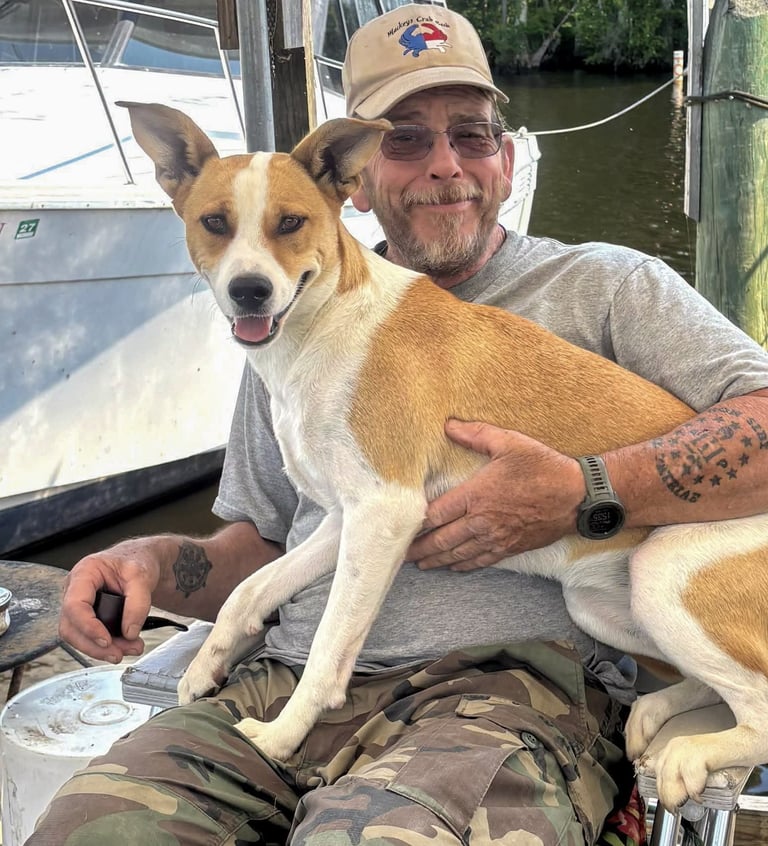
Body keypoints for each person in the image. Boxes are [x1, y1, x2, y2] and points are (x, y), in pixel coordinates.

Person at [26, 5, 768, 845]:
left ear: (508, 157)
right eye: (407, 139)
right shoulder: (280, 319)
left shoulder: (609, 286)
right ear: (361, 176)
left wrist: (586, 490)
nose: (445, 164)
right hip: (281, 679)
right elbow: (265, 541)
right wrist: (152, 564)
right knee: (89, 829)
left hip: (499, 699)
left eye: (472, 134)